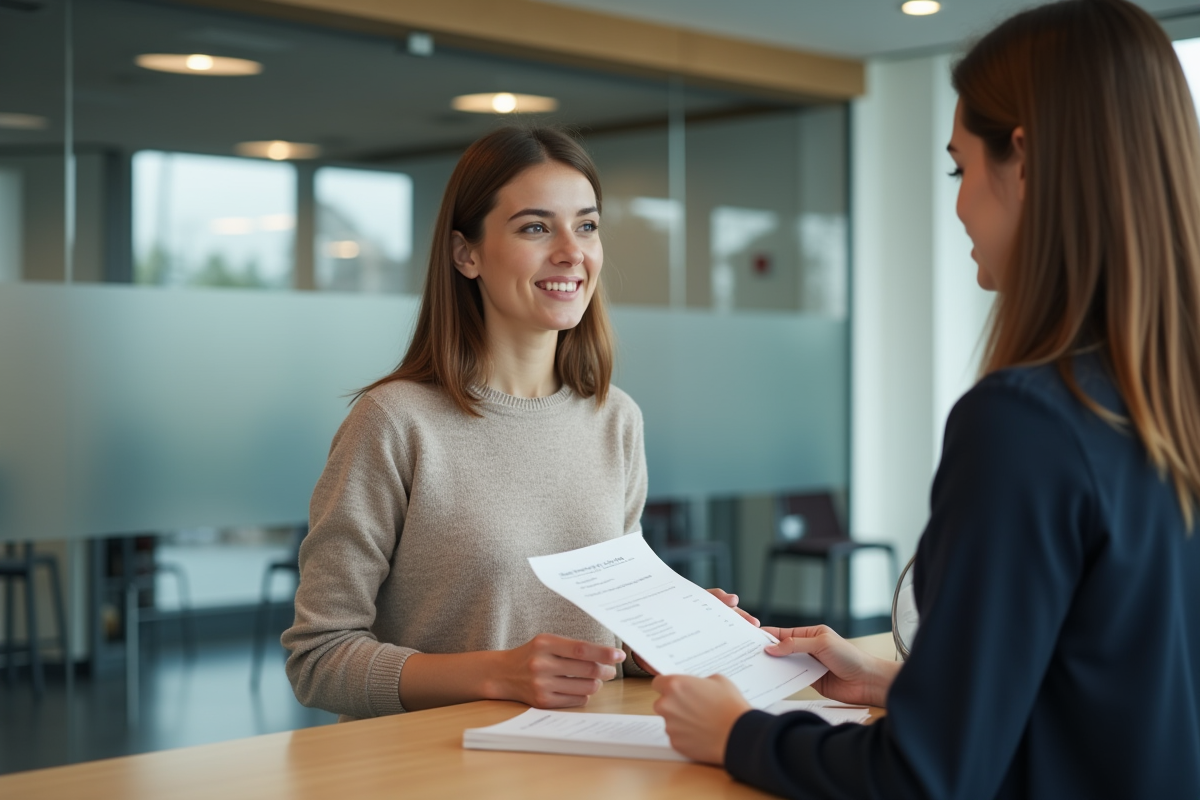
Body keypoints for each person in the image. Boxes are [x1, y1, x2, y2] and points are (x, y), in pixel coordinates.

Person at [652, 1, 1200, 797]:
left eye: (959, 168)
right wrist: (893, 686)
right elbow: (1118, 694)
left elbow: (925, 778)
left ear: (1026, 159)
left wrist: (740, 734)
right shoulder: (1164, 405)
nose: (958, 205)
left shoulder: (1028, 422)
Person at [283, 127, 688, 719]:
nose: (572, 252)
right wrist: (498, 673)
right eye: (534, 227)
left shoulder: (615, 419)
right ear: (465, 254)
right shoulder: (394, 422)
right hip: (442, 769)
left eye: (587, 225)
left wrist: (661, 639)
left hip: (588, 764)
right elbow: (318, 660)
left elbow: (602, 640)